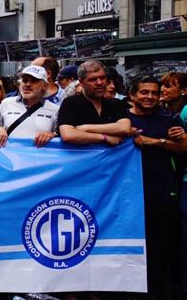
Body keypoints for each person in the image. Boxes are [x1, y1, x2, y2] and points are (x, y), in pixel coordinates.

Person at [126, 77, 187, 298]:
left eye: (154, 92)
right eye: (144, 92)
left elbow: (185, 146)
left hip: (162, 194)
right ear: (132, 95)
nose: (150, 97)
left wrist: (156, 142)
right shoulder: (121, 118)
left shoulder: (168, 118)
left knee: (161, 249)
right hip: (126, 196)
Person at [56, 60, 133, 145]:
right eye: (92, 79)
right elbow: (68, 135)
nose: (99, 83)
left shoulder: (115, 103)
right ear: (81, 82)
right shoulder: (71, 103)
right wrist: (105, 137)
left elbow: (124, 128)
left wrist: (86, 128)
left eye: (103, 78)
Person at [0, 65, 59, 147]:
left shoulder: (55, 109)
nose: (27, 84)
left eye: (33, 81)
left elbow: (60, 135)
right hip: (9, 157)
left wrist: (53, 134)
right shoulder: (6, 103)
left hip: (39, 158)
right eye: (24, 80)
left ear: (45, 86)